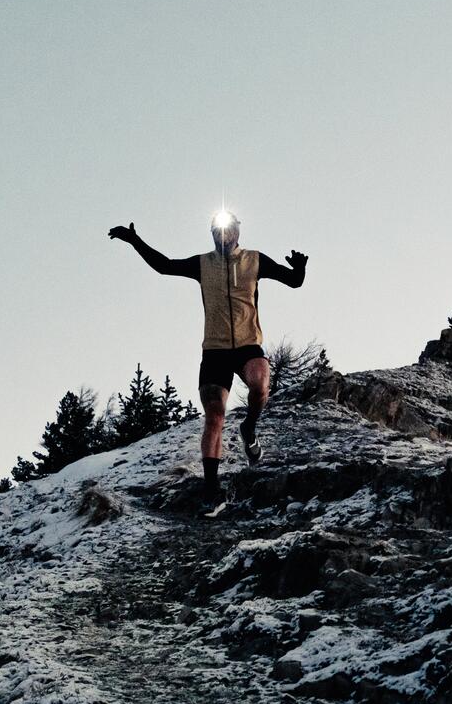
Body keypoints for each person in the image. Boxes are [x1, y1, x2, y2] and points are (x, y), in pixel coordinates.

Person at [108, 211, 307, 505]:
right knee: (214, 415)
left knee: (259, 382)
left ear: (237, 232)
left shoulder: (254, 260)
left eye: (228, 230)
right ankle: (212, 491)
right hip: (214, 350)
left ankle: (249, 428)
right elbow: (164, 266)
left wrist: (299, 269)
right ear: (212, 235)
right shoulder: (203, 264)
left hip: (248, 344)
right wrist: (135, 241)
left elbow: (293, 281)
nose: (223, 236)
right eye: (217, 231)